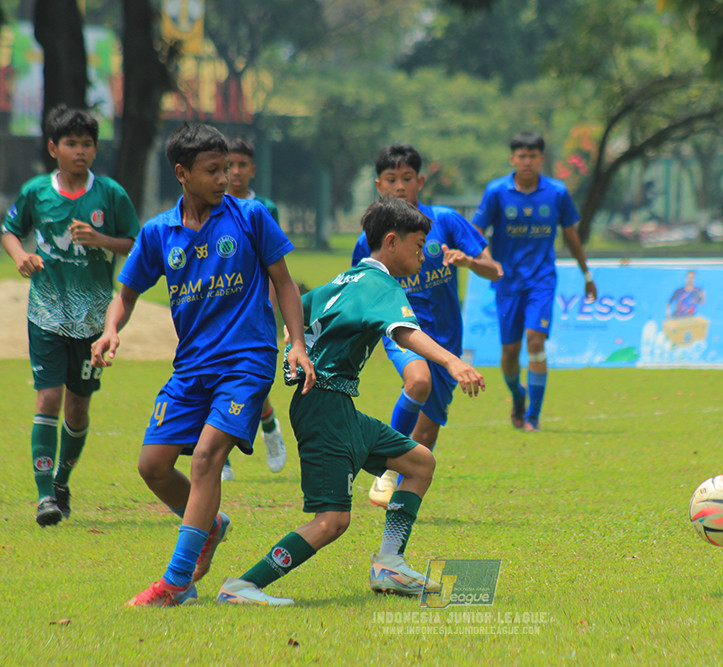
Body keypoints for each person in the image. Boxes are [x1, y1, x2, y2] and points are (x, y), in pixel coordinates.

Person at [216, 196, 485, 606]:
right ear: (391, 242)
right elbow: (404, 332)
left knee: (419, 463)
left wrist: (295, 343)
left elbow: (298, 313)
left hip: (338, 407)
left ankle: (389, 563)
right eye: (418, 245)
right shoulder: (381, 285)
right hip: (324, 409)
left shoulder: (345, 279)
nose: (423, 255)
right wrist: (452, 362)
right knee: (332, 521)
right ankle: (243, 586)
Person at [90, 123, 315, 607]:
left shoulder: (250, 216)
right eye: (213, 170)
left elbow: (284, 282)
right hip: (191, 366)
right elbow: (126, 293)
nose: (225, 178)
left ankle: (176, 583)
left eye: (227, 168)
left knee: (207, 457)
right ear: (182, 173)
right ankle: (209, 527)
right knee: (153, 466)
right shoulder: (158, 232)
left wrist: (296, 342)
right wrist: (110, 329)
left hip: (247, 359)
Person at [0, 104, 139, 527]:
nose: (80, 151)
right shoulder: (36, 191)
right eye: (72, 143)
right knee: (48, 398)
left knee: (78, 407)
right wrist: (21, 256)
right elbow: (10, 231)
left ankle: (62, 479)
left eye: (87, 144)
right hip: (45, 313)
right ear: (53, 148)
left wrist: (101, 239)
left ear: (96, 149)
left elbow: (136, 244)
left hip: (93, 321)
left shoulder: (111, 194)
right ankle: (45, 496)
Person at [351, 144, 501, 507]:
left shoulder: (445, 221)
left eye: (407, 178)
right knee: (418, 381)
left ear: (420, 181)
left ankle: (400, 506)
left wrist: (469, 262)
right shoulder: (369, 240)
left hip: (447, 336)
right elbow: (359, 290)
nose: (400, 186)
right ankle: (385, 469)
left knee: (427, 432)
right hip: (401, 328)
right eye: (391, 179)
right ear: (379, 185)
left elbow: (494, 269)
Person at [471, 131, 597, 432]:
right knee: (510, 354)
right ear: (512, 159)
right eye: (522, 156)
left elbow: (571, 234)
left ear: (542, 159)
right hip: (507, 283)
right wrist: (488, 260)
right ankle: (518, 395)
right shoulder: (496, 192)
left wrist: (587, 275)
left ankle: (533, 416)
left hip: (541, 280)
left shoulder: (556, 192)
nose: (527, 162)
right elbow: (475, 231)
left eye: (533, 156)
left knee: (536, 341)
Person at [220, 136, 287, 480]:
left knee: (252, 380)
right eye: (228, 164)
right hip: (216, 307)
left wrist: (270, 307)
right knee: (215, 377)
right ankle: (220, 457)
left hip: (252, 308)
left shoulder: (264, 209)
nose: (234, 171)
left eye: (241, 165)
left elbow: (273, 264)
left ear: (253, 169)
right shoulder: (209, 204)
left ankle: (270, 426)